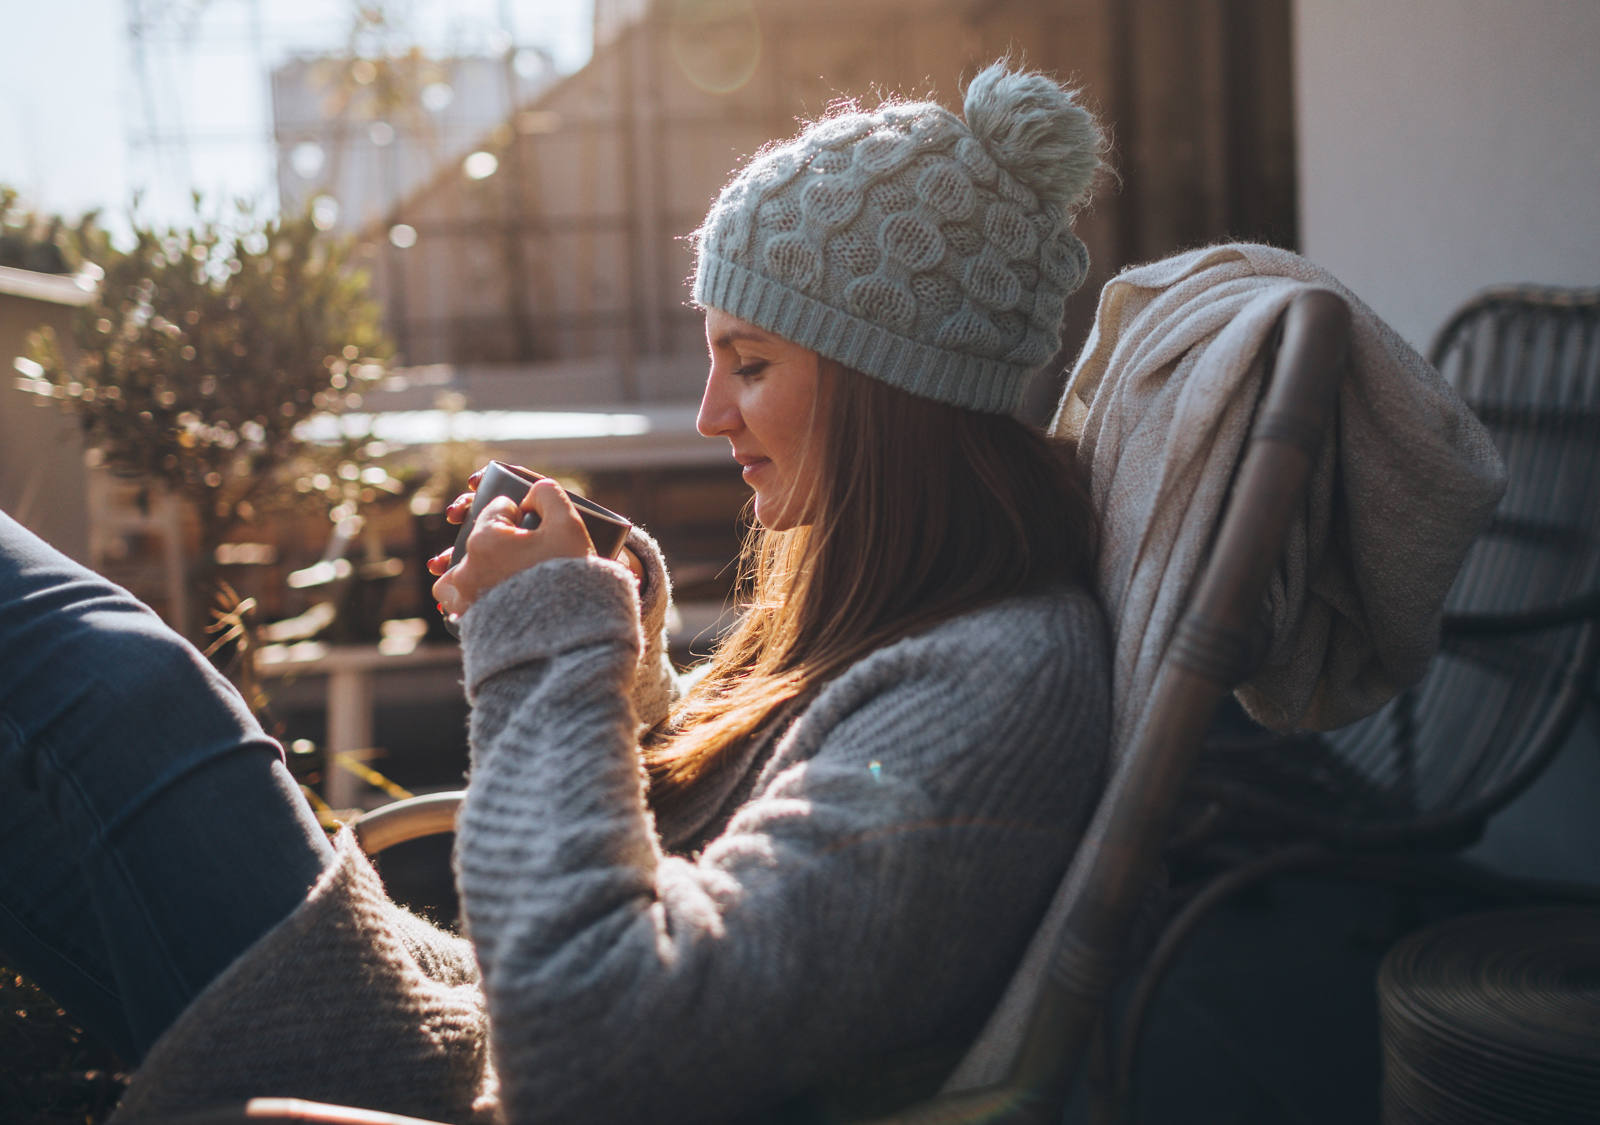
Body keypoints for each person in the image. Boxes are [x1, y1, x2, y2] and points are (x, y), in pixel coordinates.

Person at [0, 60, 1112, 1123]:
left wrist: (548, 643)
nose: (710, 414)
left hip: (448, 1083)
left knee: (111, 675)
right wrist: (619, 652)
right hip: (457, 1034)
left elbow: (603, 1044)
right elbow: (720, 866)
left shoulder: (996, 688)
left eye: (752, 363)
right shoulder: (933, 633)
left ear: (892, 389)